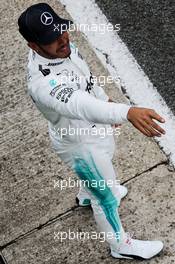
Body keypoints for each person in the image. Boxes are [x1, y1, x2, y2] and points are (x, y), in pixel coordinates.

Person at [18, 3, 166, 260]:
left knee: (101, 172)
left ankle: (86, 195)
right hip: (81, 144)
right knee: (106, 198)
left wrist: (105, 101)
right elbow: (80, 105)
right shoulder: (43, 84)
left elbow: (85, 79)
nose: (62, 39)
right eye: (51, 38)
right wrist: (126, 112)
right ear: (33, 45)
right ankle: (120, 245)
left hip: (92, 132)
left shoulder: (63, 49)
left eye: (61, 30)